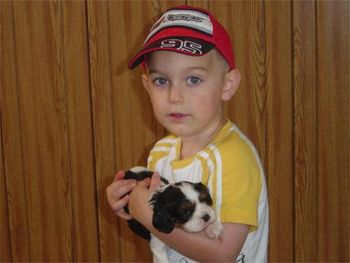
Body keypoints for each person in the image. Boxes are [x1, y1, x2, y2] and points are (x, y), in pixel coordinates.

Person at [106, 5, 269, 262]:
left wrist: (147, 214)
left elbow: (223, 253)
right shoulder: (161, 152)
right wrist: (131, 206)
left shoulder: (235, 158)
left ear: (228, 85)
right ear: (147, 86)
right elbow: (168, 234)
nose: (175, 96)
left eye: (193, 79)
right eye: (161, 81)